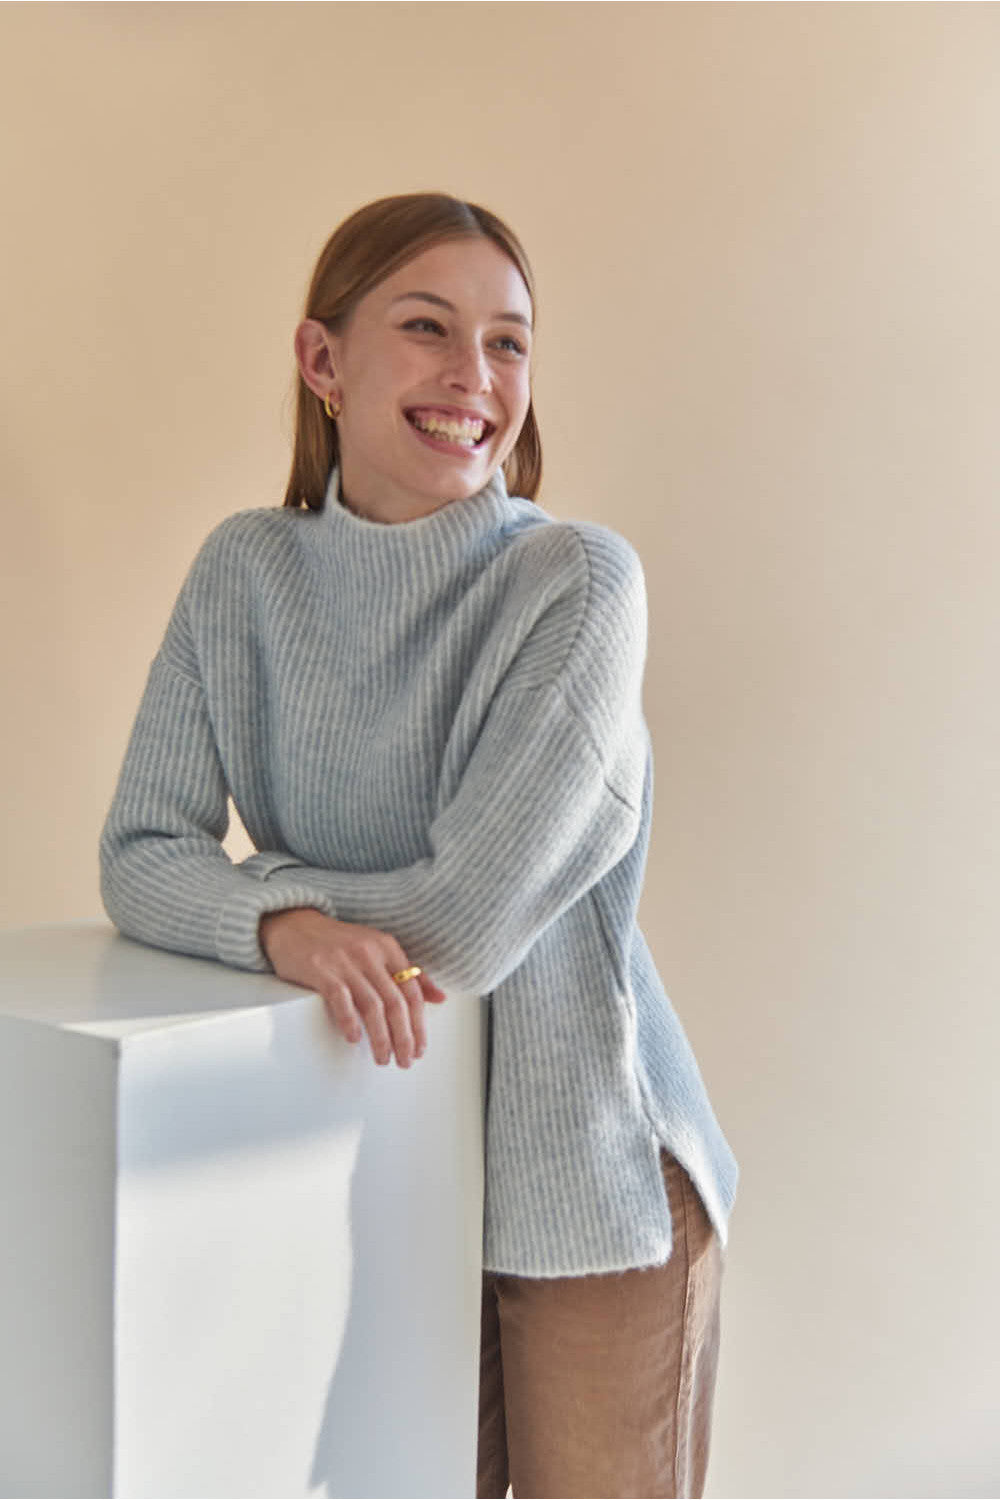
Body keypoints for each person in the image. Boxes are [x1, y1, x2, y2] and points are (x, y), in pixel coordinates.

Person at [100, 192, 738, 1498]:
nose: (474, 377)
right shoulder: (243, 574)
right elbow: (137, 851)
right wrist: (284, 928)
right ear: (322, 359)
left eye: (508, 343)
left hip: (587, 1188)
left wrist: (259, 892)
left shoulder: (577, 585)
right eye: (428, 327)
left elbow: (459, 926)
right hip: (373, 1167)